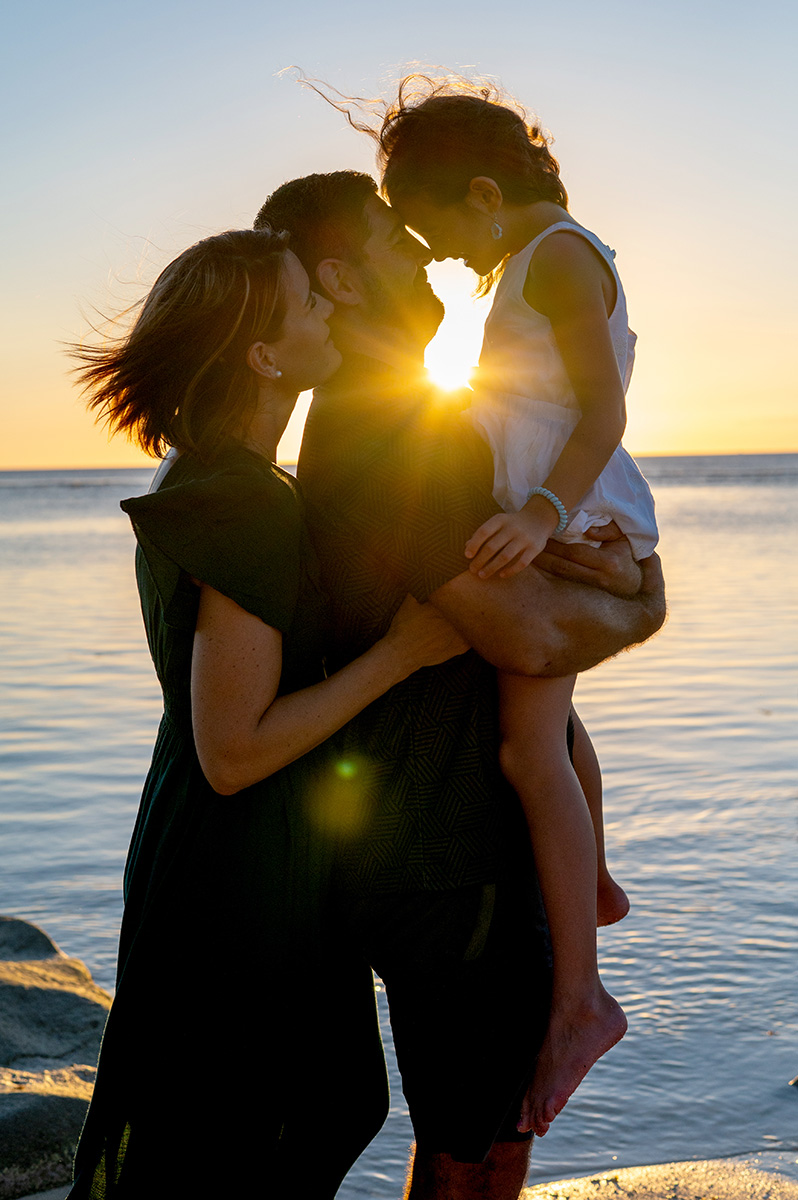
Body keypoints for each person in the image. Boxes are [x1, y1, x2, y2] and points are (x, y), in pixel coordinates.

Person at [254, 172, 666, 1199]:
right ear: (344, 281)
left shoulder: (416, 416)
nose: (427, 255)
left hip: (433, 832)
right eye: (396, 239)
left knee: (475, 1120)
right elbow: (528, 637)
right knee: (480, 1143)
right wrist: (645, 597)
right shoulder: (395, 432)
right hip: (446, 844)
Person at [66, 227, 468, 1198]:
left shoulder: (219, 474)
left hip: (228, 843)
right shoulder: (242, 499)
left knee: (294, 1109)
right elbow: (234, 750)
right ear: (263, 356)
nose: (331, 311)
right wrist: (402, 653)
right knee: (282, 1116)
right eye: (308, 303)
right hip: (236, 859)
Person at [369, 74, 662, 1138]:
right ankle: (597, 877)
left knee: (527, 752)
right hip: (559, 509)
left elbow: (603, 410)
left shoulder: (560, 257)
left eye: (436, 230)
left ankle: (582, 1002)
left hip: (571, 511)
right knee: (551, 731)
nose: (439, 257)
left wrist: (540, 513)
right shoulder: (539, 256)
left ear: (485, 194)